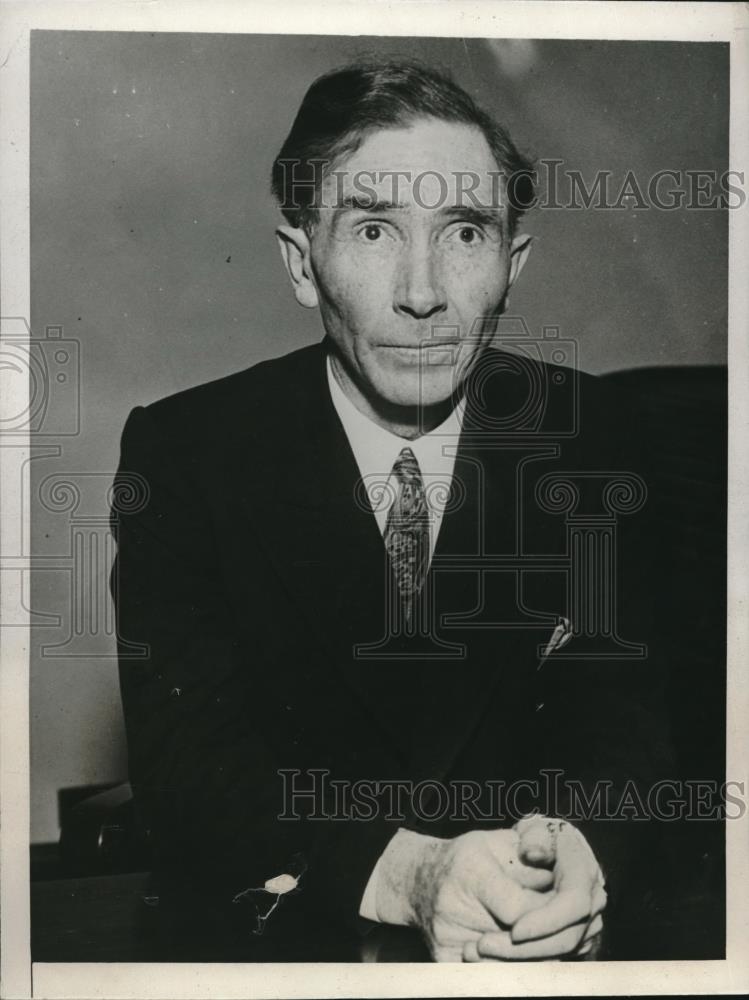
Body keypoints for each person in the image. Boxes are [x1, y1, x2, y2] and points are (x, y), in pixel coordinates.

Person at [111, 61, 671, 962]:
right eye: (373, 229)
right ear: (302, 263)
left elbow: (626, 712)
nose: (421, 292)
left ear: (511, 266)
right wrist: (407, 874)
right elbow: (187, 760)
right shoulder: (187, 453)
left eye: (464, 232)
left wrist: (577, 855)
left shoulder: (593, 435)